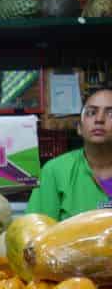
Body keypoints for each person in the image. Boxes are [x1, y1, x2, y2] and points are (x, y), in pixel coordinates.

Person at [27, 88, 112, 220]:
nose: (99, 119)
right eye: (91, 112)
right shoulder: (55, 171)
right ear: (79, 127)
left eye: (110, 113)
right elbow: (35, 230)